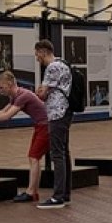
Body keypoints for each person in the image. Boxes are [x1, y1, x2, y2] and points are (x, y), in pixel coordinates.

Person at [0, 71, 49, 202]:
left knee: (34, 157)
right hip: (41, 126)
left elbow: (7, 116)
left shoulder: (22, 96)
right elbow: (3, 111)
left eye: (2, 87)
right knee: (33, 158)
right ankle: (32, 192)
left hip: (45, 126)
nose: (0, 90)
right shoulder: (17, 95)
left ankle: (31, 193)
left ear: (9, 84)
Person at [34, 39, 73, 209]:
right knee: (64, 152)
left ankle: (58, 196)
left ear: (43, 52)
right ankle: (65, 193)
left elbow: (42, 94)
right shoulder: (63, 63)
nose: (37, 58)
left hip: (57, 112)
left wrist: (40, 91)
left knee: (57, 153)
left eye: (37, 55)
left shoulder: (51, 68)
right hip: (66, 111)